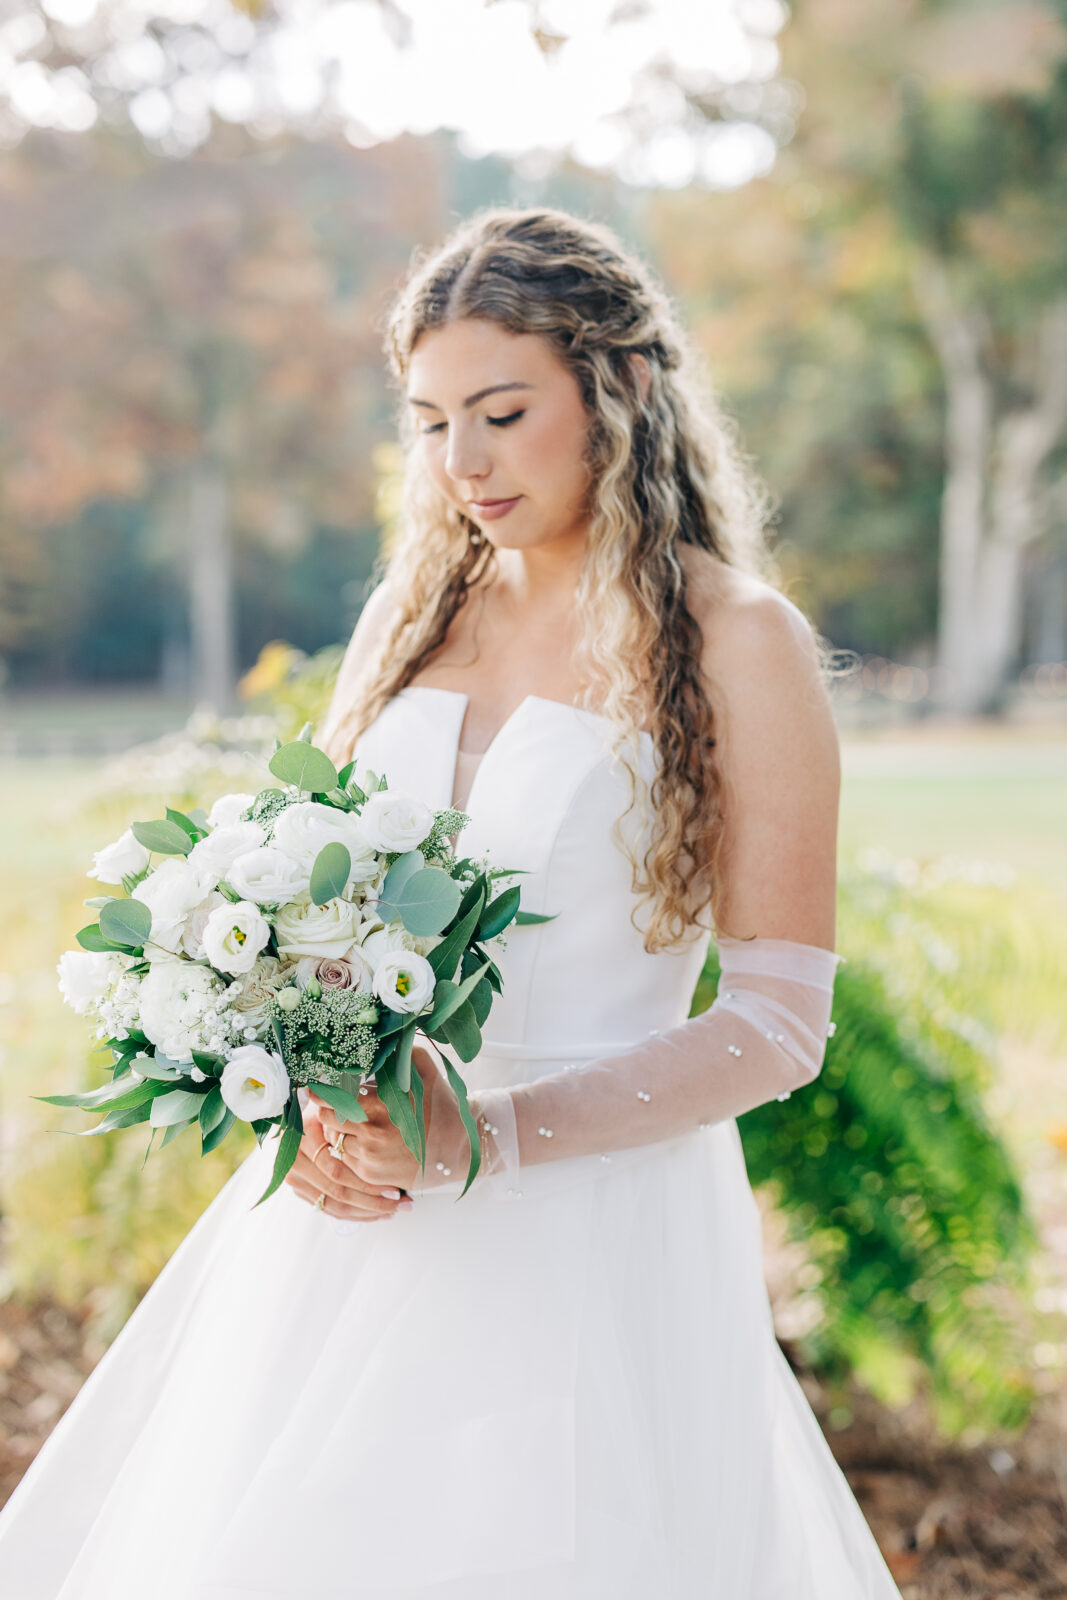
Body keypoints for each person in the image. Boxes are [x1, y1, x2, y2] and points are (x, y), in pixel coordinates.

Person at [0, 205, 902, 1597]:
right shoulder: (414, 615)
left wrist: (488, 1138)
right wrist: (306, 1098)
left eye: (500, 412)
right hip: (354, 1209)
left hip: (598, 1217)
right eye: (429, 422)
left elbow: (780, 1020)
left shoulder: (737, 642)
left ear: (624, 391)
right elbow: (321, 926)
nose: (461, 463)